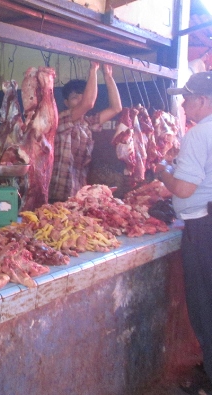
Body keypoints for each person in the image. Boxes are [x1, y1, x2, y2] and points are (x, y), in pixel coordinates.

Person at [158, 71, 212, 394]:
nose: (182, 102)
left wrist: (163, 172)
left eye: (187, 97)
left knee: (203, 304)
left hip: (202, 229)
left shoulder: (198, 134)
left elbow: (183, 186)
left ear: (203, 101)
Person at [49, 61, 122, 202]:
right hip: (57, 194)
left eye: (82, 95)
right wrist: (93, 70)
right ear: (66, 103)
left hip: (79, 195)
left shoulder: (87, 123)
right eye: (75, 97)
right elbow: (88, 103)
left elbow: (116, 108)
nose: (80, 100)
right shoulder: (61, 119)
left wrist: (108, 76)